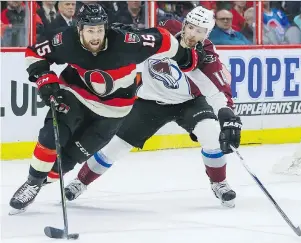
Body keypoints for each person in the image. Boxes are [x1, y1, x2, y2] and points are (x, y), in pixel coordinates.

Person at [9, 3, 204, 215]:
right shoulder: (66, 40)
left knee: (67, 160)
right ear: (79, 29)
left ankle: (40, 182)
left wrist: (187, 58)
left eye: (100, 30)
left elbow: (164, 39)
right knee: (52, 134)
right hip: (75, 95)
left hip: (113, 111)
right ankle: (32, 183)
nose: (96, 36)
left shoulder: (128, 43)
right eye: (90, 30)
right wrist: (45, 80)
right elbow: (34, 53)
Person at [64, 6, 242, 208]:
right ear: (184, 25)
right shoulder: (165, 32)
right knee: (115, 147)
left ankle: (219, 182)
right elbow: (136, 39)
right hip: (149, 102)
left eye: (200, 31)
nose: (193, 34)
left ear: (207, 34)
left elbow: (219, 90)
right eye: (191, 27)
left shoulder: (206, 56)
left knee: (211, 134)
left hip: (190, 102)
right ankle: (81, 181)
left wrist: (228, 115)